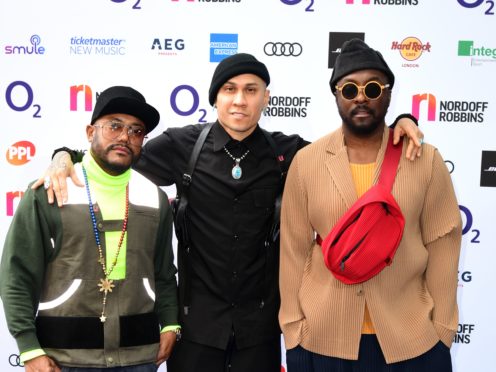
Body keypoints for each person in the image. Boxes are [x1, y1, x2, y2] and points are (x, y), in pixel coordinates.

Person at [32, 53, 423, 372]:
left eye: (251, 90)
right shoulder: (181, 144)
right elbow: (116, 158)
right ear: (215, 98)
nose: (240, 100)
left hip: (261, 328)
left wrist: (402, 123)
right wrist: (63, 158)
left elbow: (350, 146)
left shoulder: (289, 153)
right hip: (196, 326)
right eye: (230, 90)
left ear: (265, 97)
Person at [279, 39, 462, 372]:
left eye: (373, 88)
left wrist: (442, 329)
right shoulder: (306, 163)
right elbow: (292, 248)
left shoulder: (425, 160)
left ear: (388, 94)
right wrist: (293, 327)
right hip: (323, 339)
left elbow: (443, 242)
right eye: (349, 89)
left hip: (412, 339)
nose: (361, 97)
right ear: (336, 95)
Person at [0, 86, 180, 372]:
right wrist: (28, 347)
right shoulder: (50, 192)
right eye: (114, 126)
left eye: (136, 131)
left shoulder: (154, 197)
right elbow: (17, 273)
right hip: (64, 360)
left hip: (139, 358)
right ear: (90, 132)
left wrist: (170, 322)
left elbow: (164, 272)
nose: (125, 137)